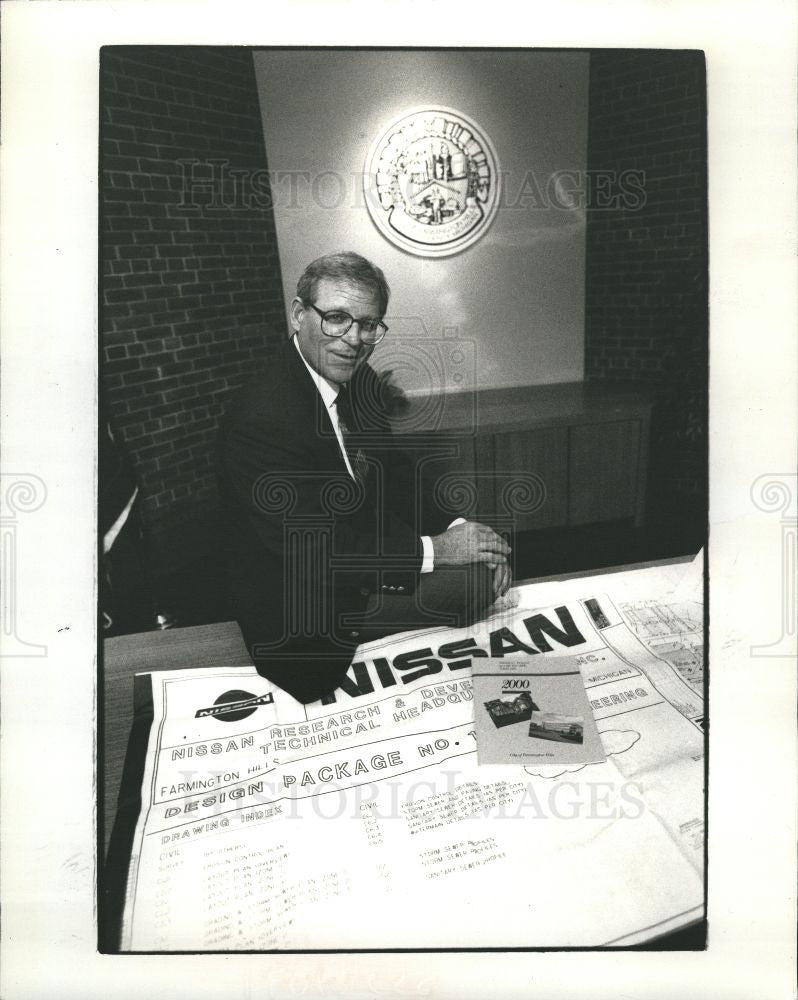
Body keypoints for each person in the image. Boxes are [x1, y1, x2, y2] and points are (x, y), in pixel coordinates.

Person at [217, 251, 511, 704]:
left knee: (480, 559)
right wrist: (436, 551)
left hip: (354, 546)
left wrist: (459, 530)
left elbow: (396, 475)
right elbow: (314, 550)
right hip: (305, 597)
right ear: (299, 315)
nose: (353, 339)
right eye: (336, 318)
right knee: (470, 582)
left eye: (368, 324)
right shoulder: (263, 417)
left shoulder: (357, 377)